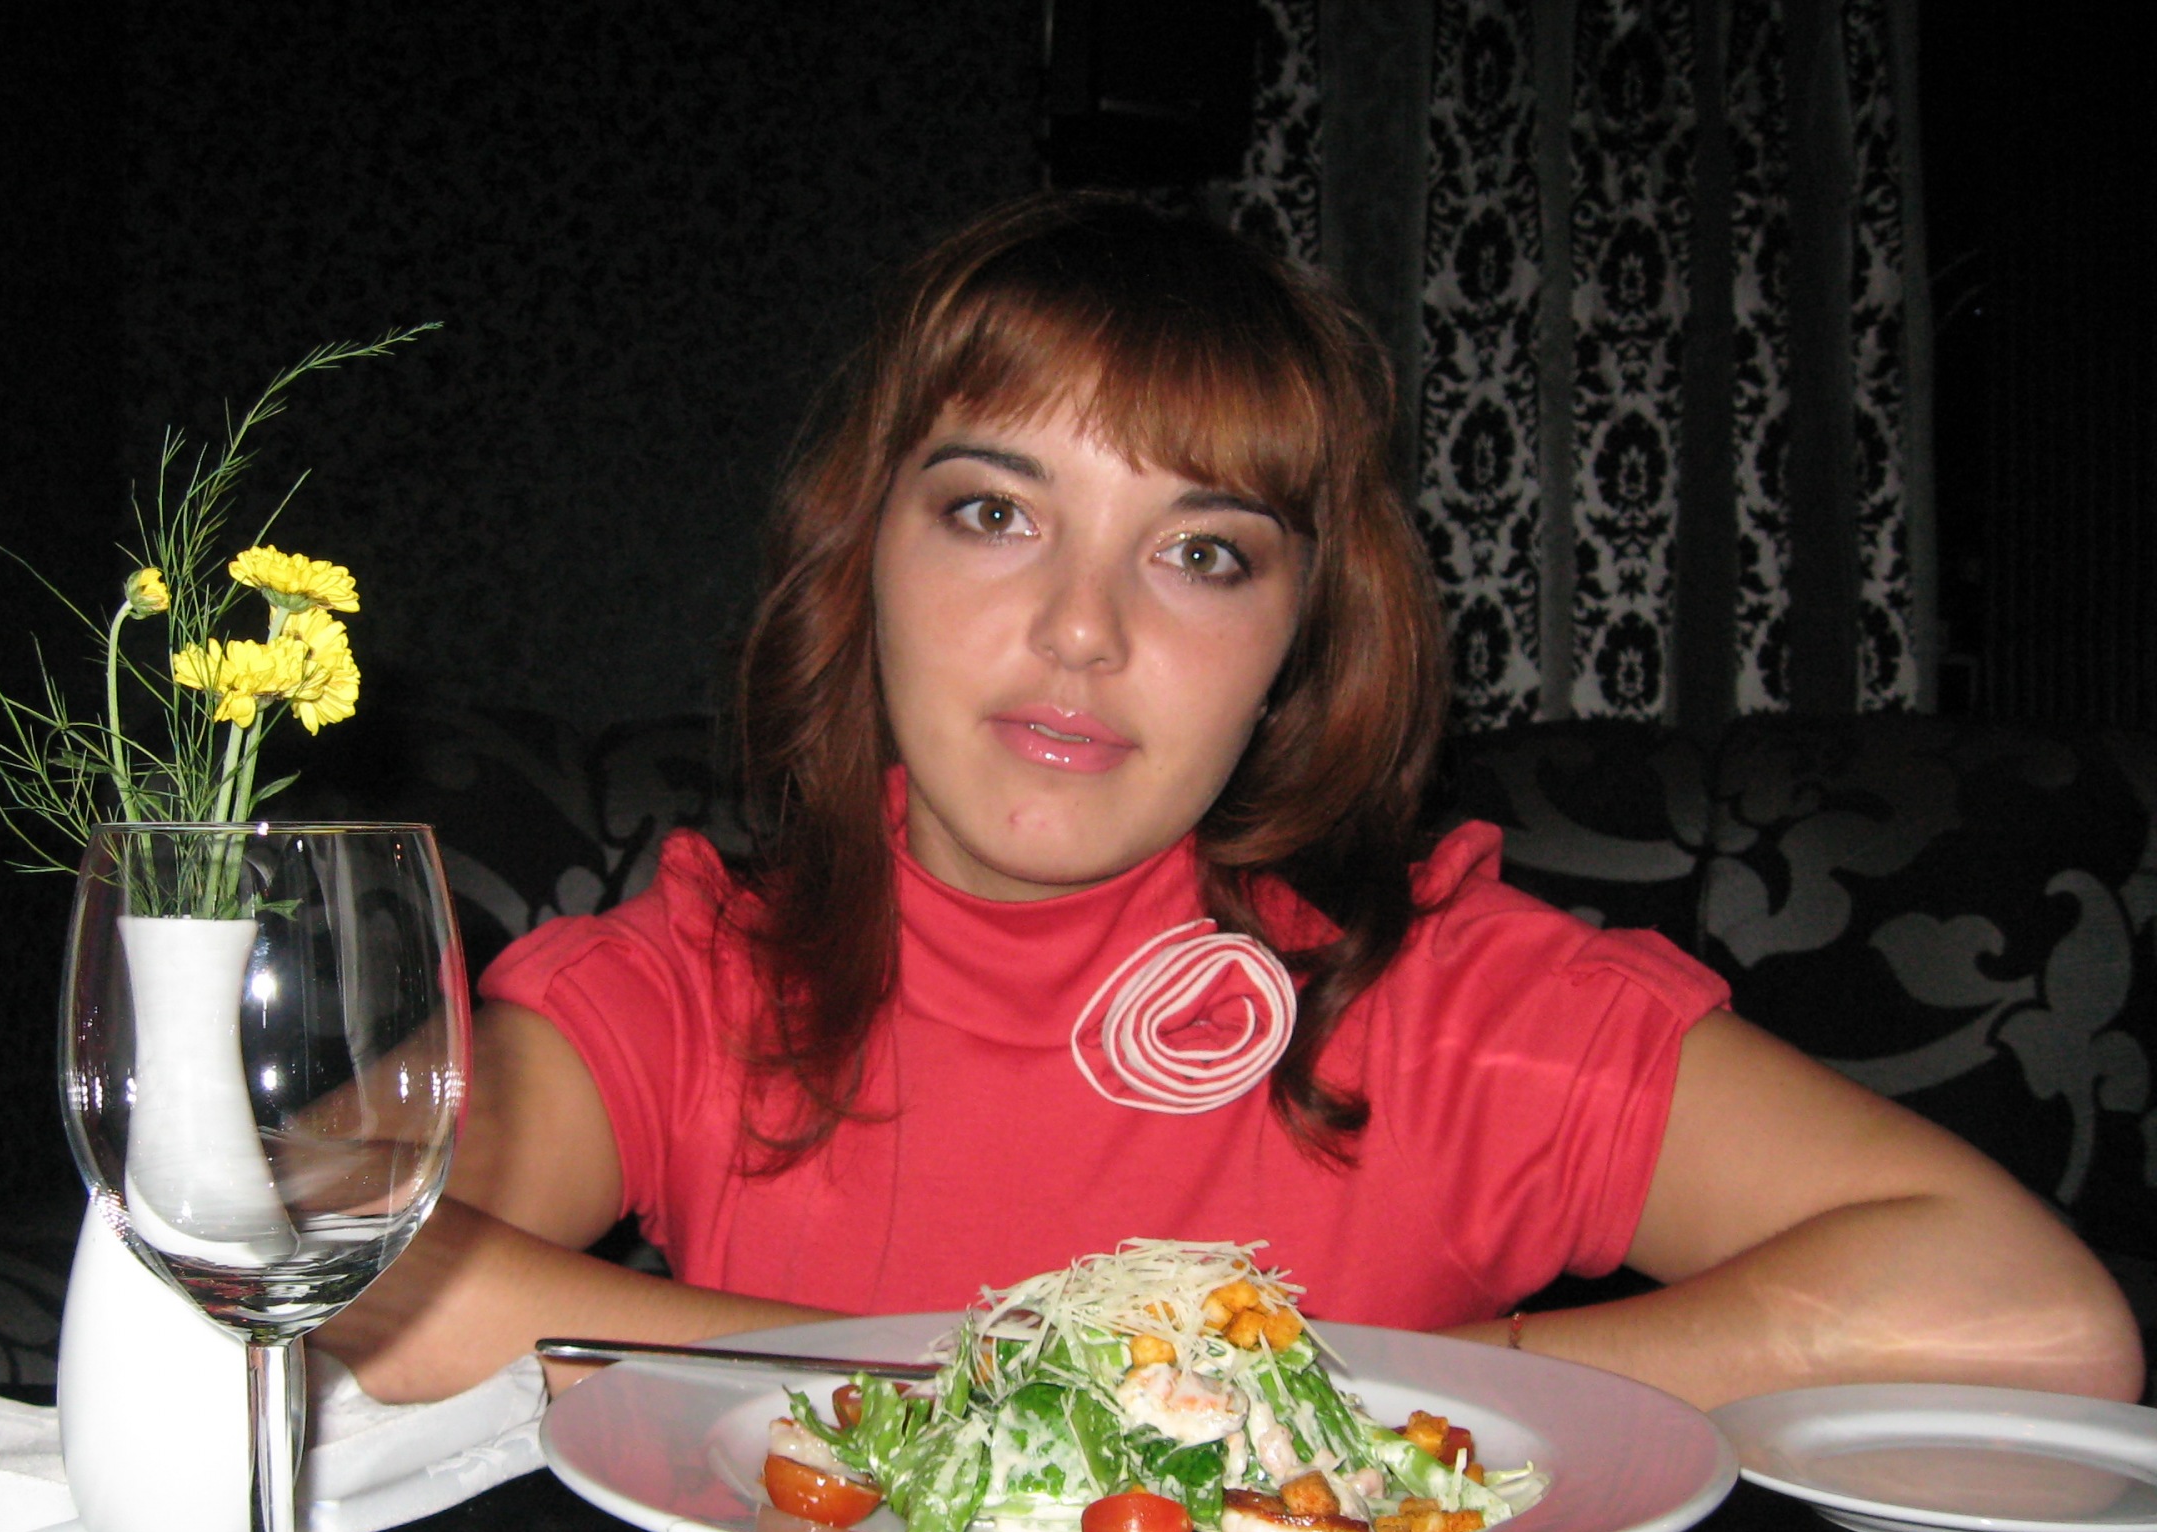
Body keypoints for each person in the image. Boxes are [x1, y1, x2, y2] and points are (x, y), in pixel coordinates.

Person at [318, 193, 2143, 1413]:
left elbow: (2034, 1317)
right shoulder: (707, 983)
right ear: (861, 553)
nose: (1082, 628)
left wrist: (1372, 1405)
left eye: (1202, 552)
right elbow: (294, 1266)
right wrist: (1036, 1397)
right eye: (992, 512)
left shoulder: (1441, 1006)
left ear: (1299, 639)